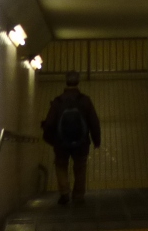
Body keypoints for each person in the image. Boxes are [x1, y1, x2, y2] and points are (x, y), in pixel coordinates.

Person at [42, 71, 101, 206]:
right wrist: (96, 140)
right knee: (80, 168)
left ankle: (64, 193)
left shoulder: (58, 101)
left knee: (61, 166)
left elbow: (49, 123)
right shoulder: (85, 100)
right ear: (78, 81)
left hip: (61, 143)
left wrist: (52, 140)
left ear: (66, 81)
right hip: (81, 143)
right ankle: (78, 196)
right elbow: (94, 122)